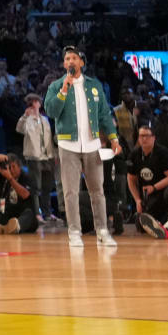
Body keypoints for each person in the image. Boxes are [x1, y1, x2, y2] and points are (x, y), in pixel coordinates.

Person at [43, 45, 121, 249]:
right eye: (67, 58)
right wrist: (63, 90)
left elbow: (104, 114)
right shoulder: (56, 85)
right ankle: (74, 232)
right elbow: (50, 111)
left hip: (92, 144)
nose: (70, 61)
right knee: (70, 192)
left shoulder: (94, 86)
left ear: (81, 63)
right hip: (68, 144)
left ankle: (102, 231)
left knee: (97, 191)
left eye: (74, 58)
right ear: (64, 64)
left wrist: (113, 138)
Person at [125, 125, 168, 234]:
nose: (144, 139)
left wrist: (154, 187)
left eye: (147, 136)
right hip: (148, 195)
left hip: (163, 190)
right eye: (141, 136)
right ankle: (154, 221)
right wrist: (137, 200)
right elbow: (131, 179)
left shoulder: (164, 153)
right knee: (141, 228)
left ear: (154, 138)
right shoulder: (134, 155)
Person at [16, 92, 55, 221]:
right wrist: (24, 116)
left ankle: (47, 213)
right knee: (36, 187)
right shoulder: (26, 119)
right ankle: (37, 214)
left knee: (47, 187)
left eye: (36, 101)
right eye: (31, 102)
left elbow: (48, 138)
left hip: (47, 156)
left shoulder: (45, 119)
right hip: (34, 157)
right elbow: (19, 129)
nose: (34, 104)